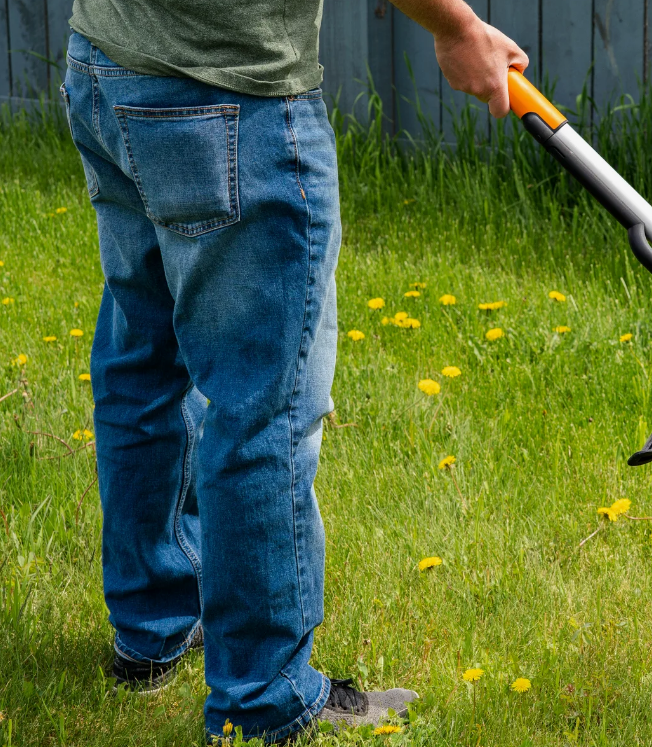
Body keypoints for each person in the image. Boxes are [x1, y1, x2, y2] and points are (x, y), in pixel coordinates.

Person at [59, 0, 527, 742]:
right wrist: (456, 27)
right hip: (225, 91)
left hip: (107, 63)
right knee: (262, 407)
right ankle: (264, 701)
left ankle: (151, 627)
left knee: (142, 357)